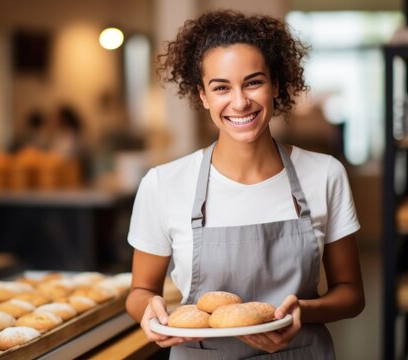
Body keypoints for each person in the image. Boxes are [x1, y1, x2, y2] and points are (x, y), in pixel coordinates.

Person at [125, 10, 365, 359]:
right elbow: (140, 290)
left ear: (276, 85)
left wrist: (303, 312)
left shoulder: (325, 174)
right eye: (221, 87)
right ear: (203, 96)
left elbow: (351, 294)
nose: (239, 102)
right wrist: (149, 312)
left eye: (253, 82)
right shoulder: (163, 184)